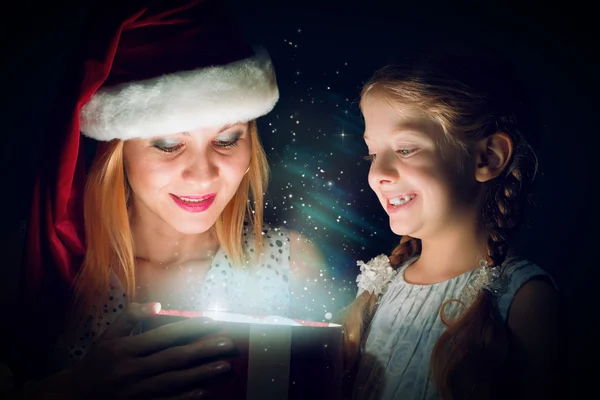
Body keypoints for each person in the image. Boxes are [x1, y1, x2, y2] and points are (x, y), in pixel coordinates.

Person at [7, 0, 330, 398]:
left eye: (227, 139)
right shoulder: (40, 264)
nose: (203, 174)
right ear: (118, 151)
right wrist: (72, 389)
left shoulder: (290, 265)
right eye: (167, 145)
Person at [340, 49, 559, 400]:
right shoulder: (377, 288)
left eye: (407, 148)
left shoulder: (522, 299)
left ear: (488, 157)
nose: (377, 173)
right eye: (372, 153)